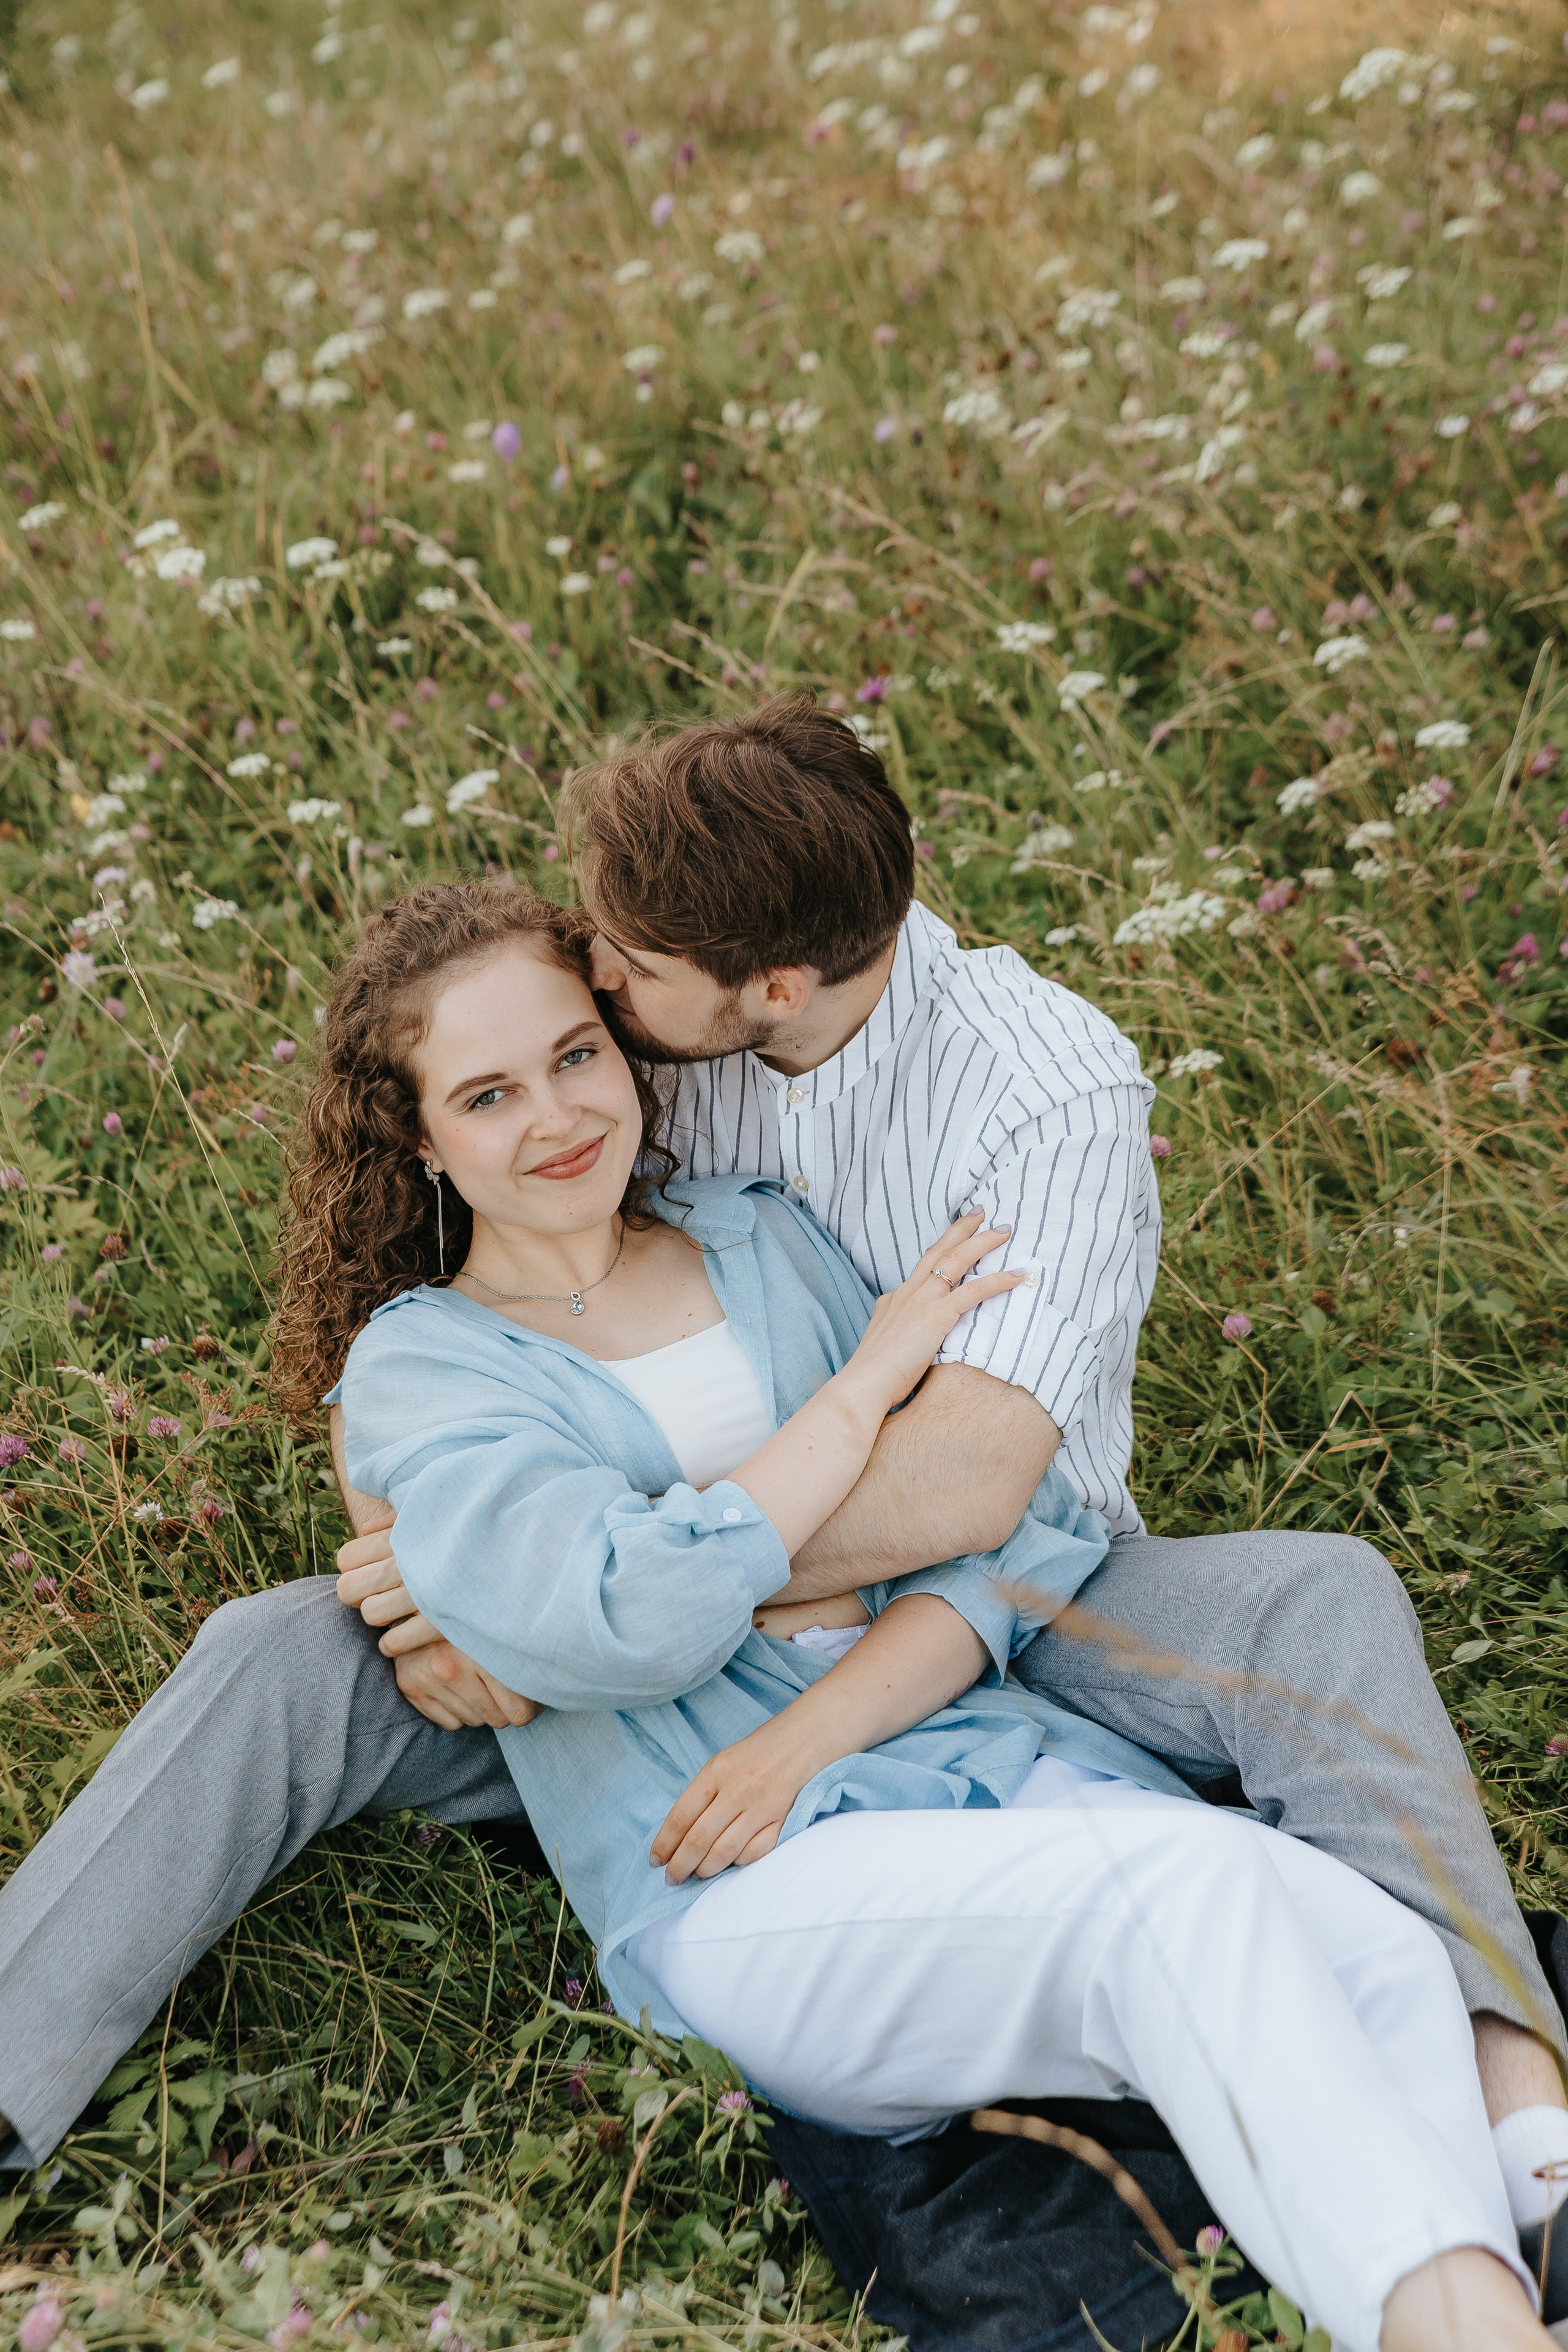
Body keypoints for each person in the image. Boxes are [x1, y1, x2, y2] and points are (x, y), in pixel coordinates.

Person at [0, 703, 1563, 2293]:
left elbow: (979, 1492)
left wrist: (622, 1595)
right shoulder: (626, 1104)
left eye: (603, 1013)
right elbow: (437, 1368)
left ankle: (1516, 2116)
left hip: (1004, 1604)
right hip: (681, 1712)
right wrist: (441, 1565)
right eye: (511, 1074)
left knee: (1314, 1618)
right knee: (280, 1652)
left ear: (776, 989)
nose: (597, 1002)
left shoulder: (1018, 1093)